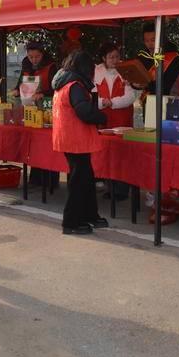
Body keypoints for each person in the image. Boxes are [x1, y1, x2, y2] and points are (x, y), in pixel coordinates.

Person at [52, 51, 108, 235]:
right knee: (78, 181)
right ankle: (71, 222)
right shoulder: (75, 86)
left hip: (70, 137)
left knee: (86, 178)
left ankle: (90, 215)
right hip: (75, 139)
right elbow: (84, 111)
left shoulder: (64, 83)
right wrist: (101, 117)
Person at [8, 41, 60, 189]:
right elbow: (21, 82)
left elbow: (56, 87)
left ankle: (50, 181)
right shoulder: (26, 65)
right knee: (34, 144)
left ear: (42, 54)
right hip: (30, 109)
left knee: (48, 145)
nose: (34, 60)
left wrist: (43, 93)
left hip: (47, 109)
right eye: (31, 57)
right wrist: (16, 90)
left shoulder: (51, 66)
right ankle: (35, 179)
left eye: (37, 57)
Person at [94, 42, 137, 128]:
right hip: (102, 120)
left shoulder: (127, 70)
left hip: (123, 119)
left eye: (117, 56)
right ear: (104, 58)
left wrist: (112, 103)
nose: (115, 60)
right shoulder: (95, 72)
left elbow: (131, 97)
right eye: (111, 57)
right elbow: (92, 98)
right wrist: (102, 102)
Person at [136, 22, 179, 95]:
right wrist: (134, 84)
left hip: (165, 99)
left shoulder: (174, 59)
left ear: (161, 39)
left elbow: (169, 85)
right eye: (146, 41)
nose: (150, 44)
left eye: (153, 40)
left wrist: (148, 85)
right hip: (145, 99)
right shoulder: (142, 57)